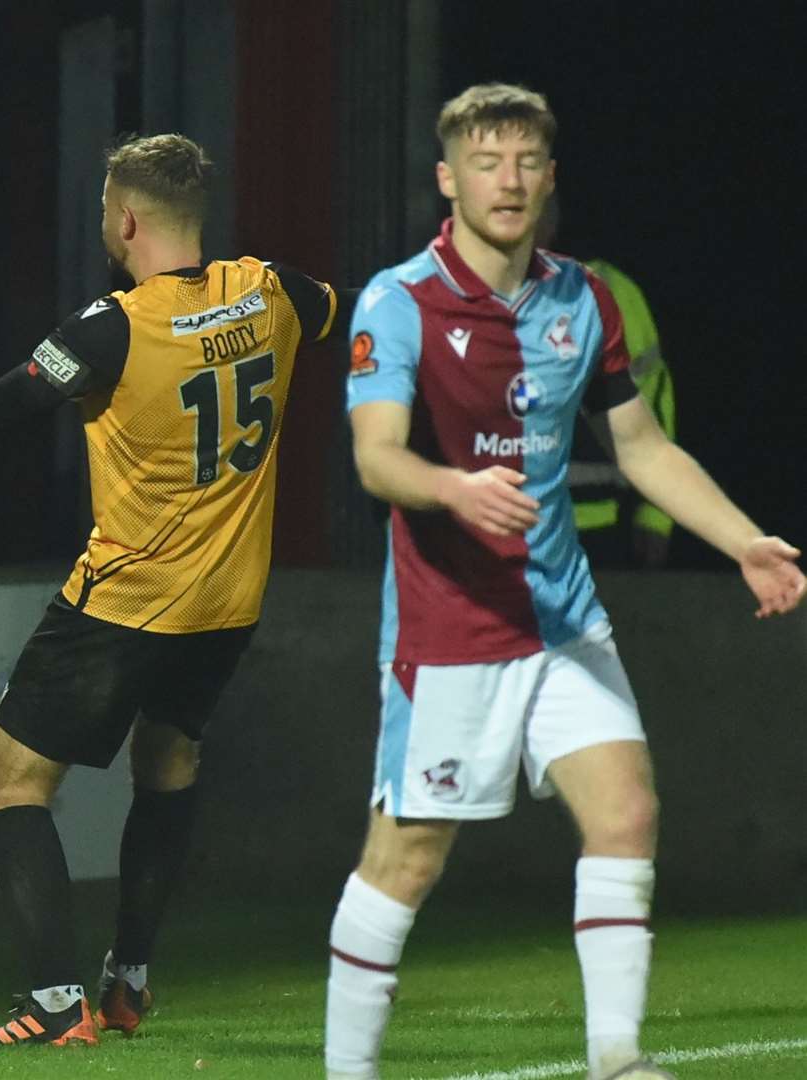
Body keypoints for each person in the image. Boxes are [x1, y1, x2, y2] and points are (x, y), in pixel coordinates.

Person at [0, 133, 337, 1046]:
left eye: (104, 207)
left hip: (127, 600)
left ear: (125, 218)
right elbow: (348, 317)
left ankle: (58, 1003)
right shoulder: (277, 288)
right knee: (168, 762)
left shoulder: (112, 327)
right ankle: (128, 981)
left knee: (10, 784)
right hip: (229, 605)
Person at [325, 83, 804, 1080]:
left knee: (626, 810)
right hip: (451, 626)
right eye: (487, 162)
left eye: (527, 162)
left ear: (550, 180)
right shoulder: (397, 299)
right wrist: (454, 488)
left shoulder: (582, 299)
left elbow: (641, 445)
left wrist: (744, 540)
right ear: (448, 180)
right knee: (408, 860)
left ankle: (618, 1060)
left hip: (562, 619)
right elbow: (377, 459)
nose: (509, 180)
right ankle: (347, 1072)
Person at [536, 194, 677, 568]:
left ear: (551, 222)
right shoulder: (472, 297)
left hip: (601, 532)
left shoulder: (610, 294)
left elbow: (653, 403)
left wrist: (654, 516)